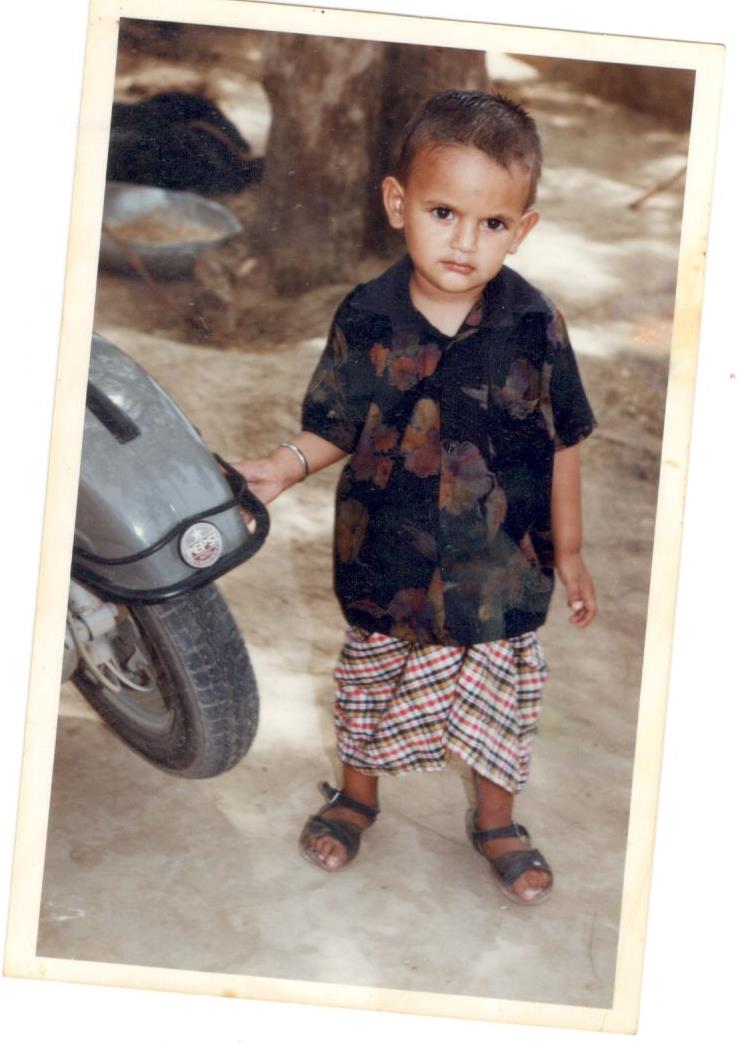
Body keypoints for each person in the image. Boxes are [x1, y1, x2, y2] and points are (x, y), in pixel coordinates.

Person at [236, 90, 597, 905]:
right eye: (443, 212)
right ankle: (355, 797)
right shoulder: (367, 314)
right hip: (387, 558)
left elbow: (565, 438)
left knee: (502, 698)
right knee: (371, 683)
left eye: (493, 222)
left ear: (523, 228)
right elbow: (337, 421)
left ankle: (496, 820)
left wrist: (570, 551)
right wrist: (285, 465)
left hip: (504, 567)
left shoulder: (536, 323)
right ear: (398, 202)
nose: (465, 241)